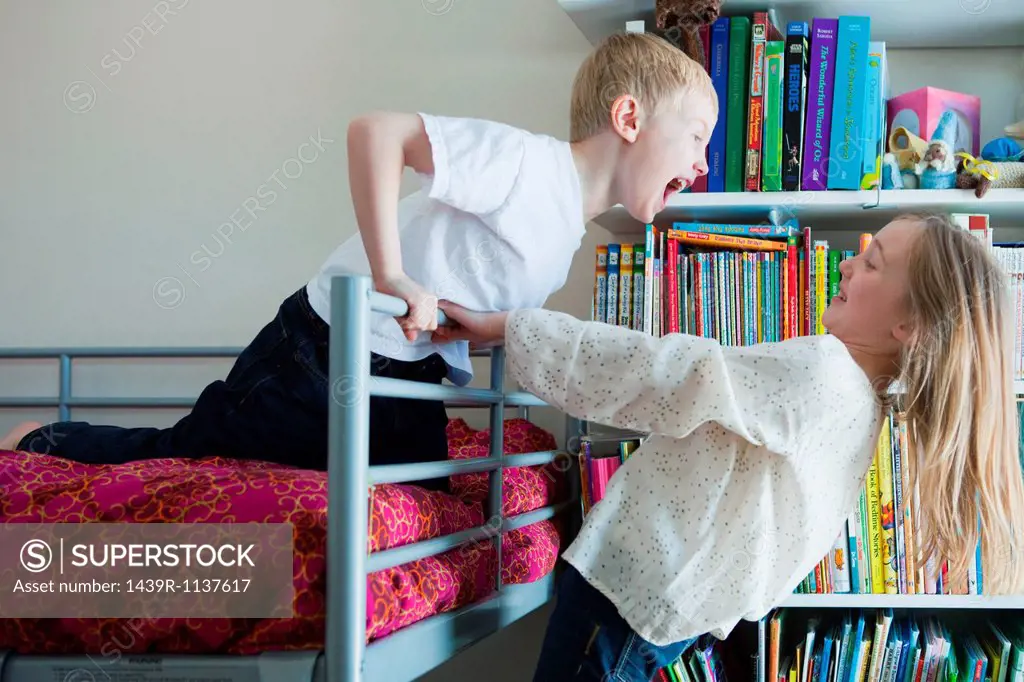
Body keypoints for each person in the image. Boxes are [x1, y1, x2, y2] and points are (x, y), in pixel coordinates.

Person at [0, 32, 716, 491]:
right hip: (323, 350)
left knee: (425, 496)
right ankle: (39, 440)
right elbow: (377, 133)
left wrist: (482, 328)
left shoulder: (567, 233)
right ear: (629, 120)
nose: (703, 163)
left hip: (407, 378)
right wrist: (391, 274)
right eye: (695, 138)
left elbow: (477, 288)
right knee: (193, 453)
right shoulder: (529, 164)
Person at [431, 212, 1024, 681]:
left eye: (872, 264)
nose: (846, 267)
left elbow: (665, 372)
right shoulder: (861, 410)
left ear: (908, 326)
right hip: (655, 615)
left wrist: (514, 328)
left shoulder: (822, 375)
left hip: (623, 602)